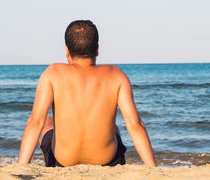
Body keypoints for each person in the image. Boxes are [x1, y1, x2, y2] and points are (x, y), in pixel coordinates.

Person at [18, 20, 157, 167]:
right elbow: (135, 125)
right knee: (114, 127)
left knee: (46, 122)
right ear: (97, 50)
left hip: (62, 163)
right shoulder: (116, 75)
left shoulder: (53, 73)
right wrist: (153, 168)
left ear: (67, 51)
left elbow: (35, 122)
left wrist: (21, 167)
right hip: (108, 163)